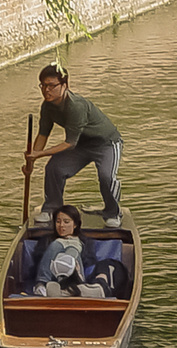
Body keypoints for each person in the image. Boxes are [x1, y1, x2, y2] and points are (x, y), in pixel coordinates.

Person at [25, 63, 125, 228]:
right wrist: (30, 162)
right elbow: (43, 135)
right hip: (81, 144)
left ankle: (113, 212)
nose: (46, 90)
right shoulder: (47, 107)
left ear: (64, 86)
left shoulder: (75, 106)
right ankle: (51, 208)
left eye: (51, 86)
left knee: (106, 177)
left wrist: (38, 155)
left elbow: (69, 143)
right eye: (43, 85)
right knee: (54, 168)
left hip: (105, 143)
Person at [30, 205, 86, 296]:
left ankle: (70, 287)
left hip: (76, 278)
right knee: (57, 244)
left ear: (75, 225)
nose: (61, 226)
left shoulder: (84, 242)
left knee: (72, 249)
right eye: (58, 222)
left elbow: (90, 261)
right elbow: (39, 258)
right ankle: (41, 284)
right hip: (52, 277)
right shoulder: (48, 240)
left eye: (66, 222)